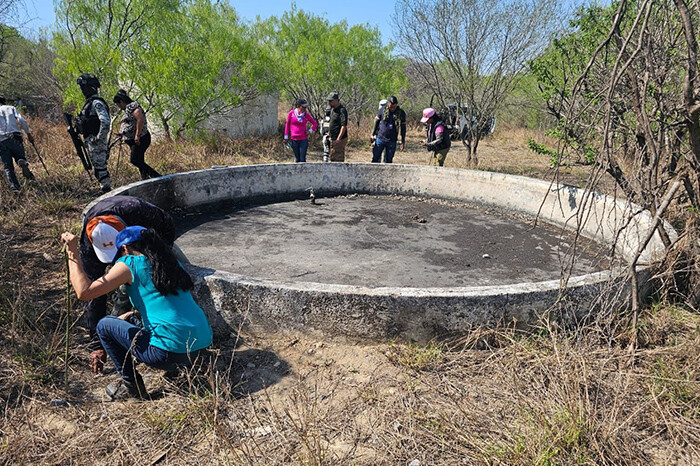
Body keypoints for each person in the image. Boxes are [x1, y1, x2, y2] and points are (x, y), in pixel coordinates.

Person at [61, 226, 212, 400]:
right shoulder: (170, 263)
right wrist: (128, 316)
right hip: (201, 346)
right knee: (131, 319)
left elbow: (84, 292)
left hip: (168, 353)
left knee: (104, 325)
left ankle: (132, 387)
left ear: (125, 249)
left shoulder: (130, 263)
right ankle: (183, 369)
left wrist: (72, 251)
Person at [79, 195, 176, 374]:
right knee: (119, 301)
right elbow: (93, 294)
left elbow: (168, 226)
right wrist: (96, 344)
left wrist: (158, 262)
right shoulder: (88, 243)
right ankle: (123, 336)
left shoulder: (137, 210)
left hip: (150, 243)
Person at [113, 89, 161, 180]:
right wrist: (122, 133)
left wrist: (137, 135)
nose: (119, 107)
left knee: (134, 160)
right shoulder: (128, 108)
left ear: (122, 101)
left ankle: (156, 176)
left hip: (140, 138)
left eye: (119, 104)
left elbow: (140, 119)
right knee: (140, 160)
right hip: (134, 139)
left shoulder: (133, 106)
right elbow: (130, 123)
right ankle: (145, 178)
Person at [76, 74, 111, 192]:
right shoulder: (89, 103)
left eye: (83, 87)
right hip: (91, 140)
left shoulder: (96, 103)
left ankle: (107, 192)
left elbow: (105, 121)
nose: (82, 90)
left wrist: (99, 138)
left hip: (96, 141)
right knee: (98, 168)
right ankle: (105, 191)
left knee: (101, 169)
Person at [0, 97, 35, 192]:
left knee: (8, 167)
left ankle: (15, 187)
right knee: (19, 155)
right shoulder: (10, 108)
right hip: (15, 137)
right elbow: (22, 120)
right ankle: (21, 160)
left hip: (1, 141)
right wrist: (28, 134)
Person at [371, 96, 406, 164]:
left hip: (392, 140)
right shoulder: (382, 110)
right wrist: (372, 134)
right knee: (375, 158)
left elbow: (403, 128)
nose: (392, 108)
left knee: (389, 160)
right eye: (391, 106)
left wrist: (403, 140)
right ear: (388, 103)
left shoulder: (401, 113)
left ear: (397, 104)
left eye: (394, 106)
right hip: (380, 137)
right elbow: (376, 122)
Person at [283, 98, 318, 163]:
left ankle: (304, 172)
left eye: (306, 107)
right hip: (294, 139)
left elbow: (315, 124)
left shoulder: (306, 115)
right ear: (298, 106)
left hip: (303, 139)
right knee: (297, 158)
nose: (305, 109)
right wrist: (286, 137)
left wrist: (310, 131)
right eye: (303, 107)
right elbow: (287, 125)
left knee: (302, 159)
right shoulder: (291, 113)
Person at [327, 92, 348, 162]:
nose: (329, 103)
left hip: (339, 139)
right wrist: (329, 134)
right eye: (329, 101)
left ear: (336, 100)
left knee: (338, 158)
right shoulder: (332, 110)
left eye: (331, 101)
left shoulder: (342, 110)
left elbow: (343, 126)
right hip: (332, 138)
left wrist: (339, 138)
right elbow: (332, 123)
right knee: (332, 156)